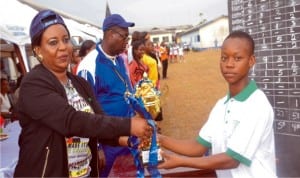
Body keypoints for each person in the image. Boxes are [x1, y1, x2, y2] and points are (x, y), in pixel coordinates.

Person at [14, 10, 151, 177]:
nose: (63, 47)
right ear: (38, 50)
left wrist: (127, 139)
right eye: (53, 42)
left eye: (66, 40)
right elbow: (71, 121)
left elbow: (97, 124)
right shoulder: (33, 84)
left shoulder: (80, 84)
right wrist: (129, 125)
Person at [158, 31, 277, 178]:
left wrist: (181, 161)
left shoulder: (257, 105)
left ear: (251, 61)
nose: (229, 64)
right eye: (224, 58)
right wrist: (158, 139)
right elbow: (198, 147)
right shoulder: (221, 106)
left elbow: (232, 159)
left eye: (237, 58)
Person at [77, 14, 139, 177]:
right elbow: (84, 111)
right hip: (107, 145)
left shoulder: (119, 59)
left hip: (128, 138)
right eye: (124, 36)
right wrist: (96, 147)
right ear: (110, 34)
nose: (127, 41)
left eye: (128, 37)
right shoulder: (89, 65)